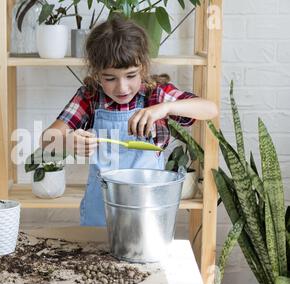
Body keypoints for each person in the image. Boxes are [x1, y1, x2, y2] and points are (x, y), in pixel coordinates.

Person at [40, 16, 218, 226]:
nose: (122, 88)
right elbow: (47, 140)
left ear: (142, 67)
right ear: (97, 74)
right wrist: (69, 141)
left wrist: (165, 108)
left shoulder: (155, 95)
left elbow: (210, 109)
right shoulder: (90, 97)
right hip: (102, 213)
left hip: (148, 213)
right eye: (110, 78)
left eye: (131, 75)